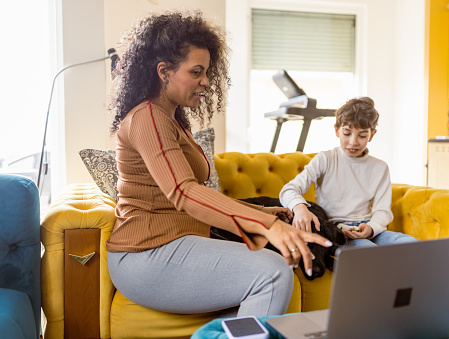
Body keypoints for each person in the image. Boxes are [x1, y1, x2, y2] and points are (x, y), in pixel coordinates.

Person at [105, 11, 332, 318]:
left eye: (207, 72)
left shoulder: (169, 119)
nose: (206, 81)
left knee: (270, 270)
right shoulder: (148, 118)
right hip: (145, 254)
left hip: (173, 242)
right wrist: (268, 225)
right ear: (164, 71)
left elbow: (189, 194)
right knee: (273, 272)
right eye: (196, 72)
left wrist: (261, 212)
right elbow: (184, 192)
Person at [279, 97, 416, 249]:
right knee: (367, 251)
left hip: (368, 229)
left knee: (411, 245)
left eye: (362, 136)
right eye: (347, 133)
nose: (353, 142)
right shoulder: (325, 159)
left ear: (372, 135)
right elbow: (288, 190)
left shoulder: (380, 167)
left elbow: (382, 211)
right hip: (335, 231)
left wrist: (371, 228)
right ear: (337, 130)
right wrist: (299, 207)